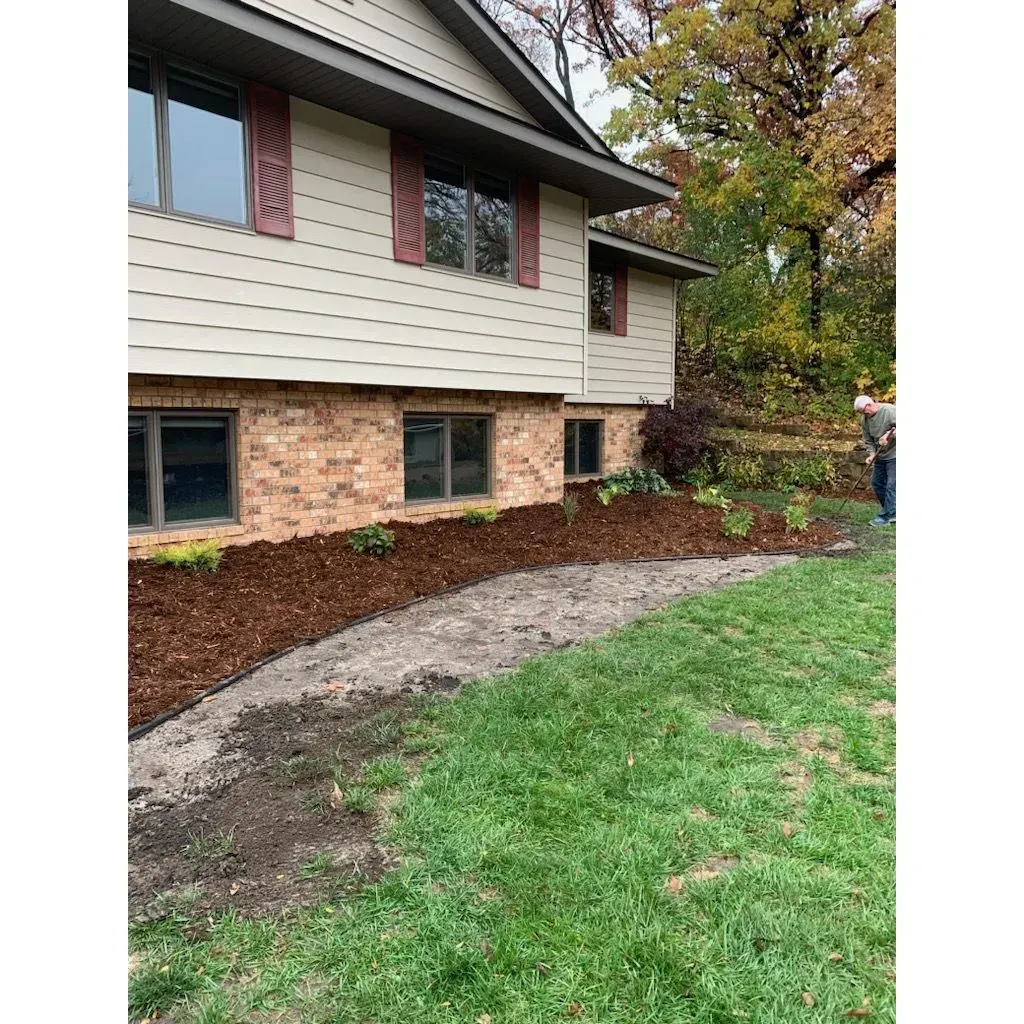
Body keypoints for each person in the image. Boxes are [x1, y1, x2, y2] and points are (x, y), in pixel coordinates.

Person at [854, 395, 895, 526]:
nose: (863, 415)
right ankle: (893, 512)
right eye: (861, 413)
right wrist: (871, 454)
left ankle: (885, 517)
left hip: (896, 453)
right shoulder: (865, 420)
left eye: (863, 411)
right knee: (877, 483)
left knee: (892, 486)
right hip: (880, 455)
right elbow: (868, 440)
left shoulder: (889, 411)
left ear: (870, 405)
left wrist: (889, 435)